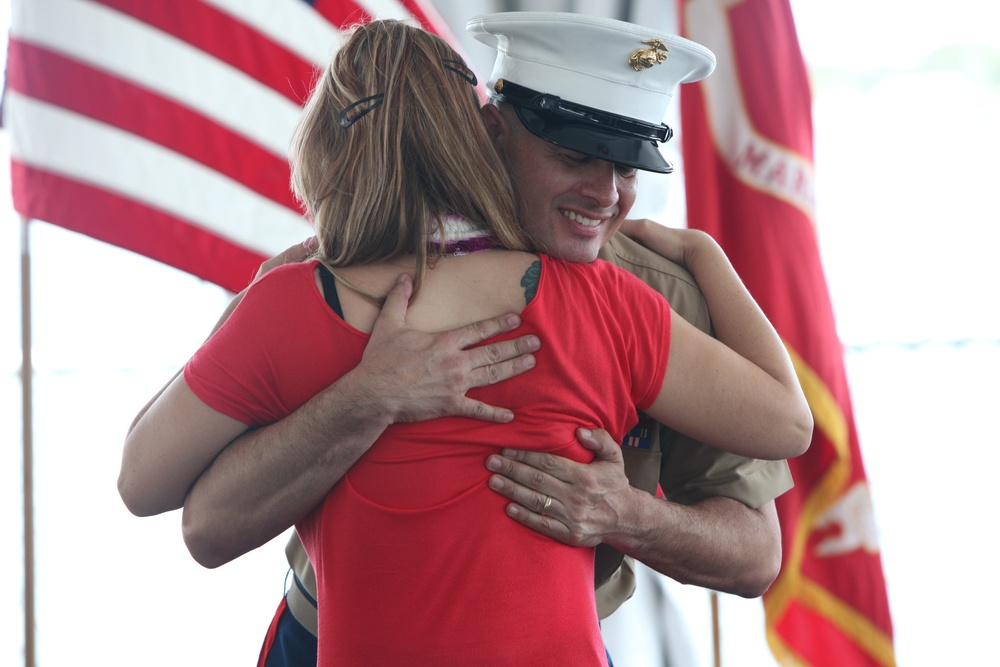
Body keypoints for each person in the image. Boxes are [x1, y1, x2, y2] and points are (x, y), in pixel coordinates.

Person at [118, 13, 809, 667]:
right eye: (575, 158)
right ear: (490, 130)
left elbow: (756, 555)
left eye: (630, 169)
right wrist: (367, 397)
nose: (606, 195)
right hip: (321, 628)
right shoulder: (314, 279)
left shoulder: (660, 292)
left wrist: (628, 515)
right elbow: (205, 525)